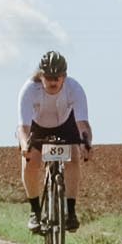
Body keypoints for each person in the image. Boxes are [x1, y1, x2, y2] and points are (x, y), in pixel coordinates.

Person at [17, 51, 90, 234]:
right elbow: (23, 127)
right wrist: (25, 145)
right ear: (41, 76)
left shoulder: (75, 88)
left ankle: (71, 211)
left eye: (57, 77)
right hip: (37, 126)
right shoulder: (29, 89)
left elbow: (82, 123)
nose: (52, 82)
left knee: (73, 158)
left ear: (64, 77)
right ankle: (35, 211)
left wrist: (86, 142)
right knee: (30, 162)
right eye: (48, 77)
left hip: (65, 124)